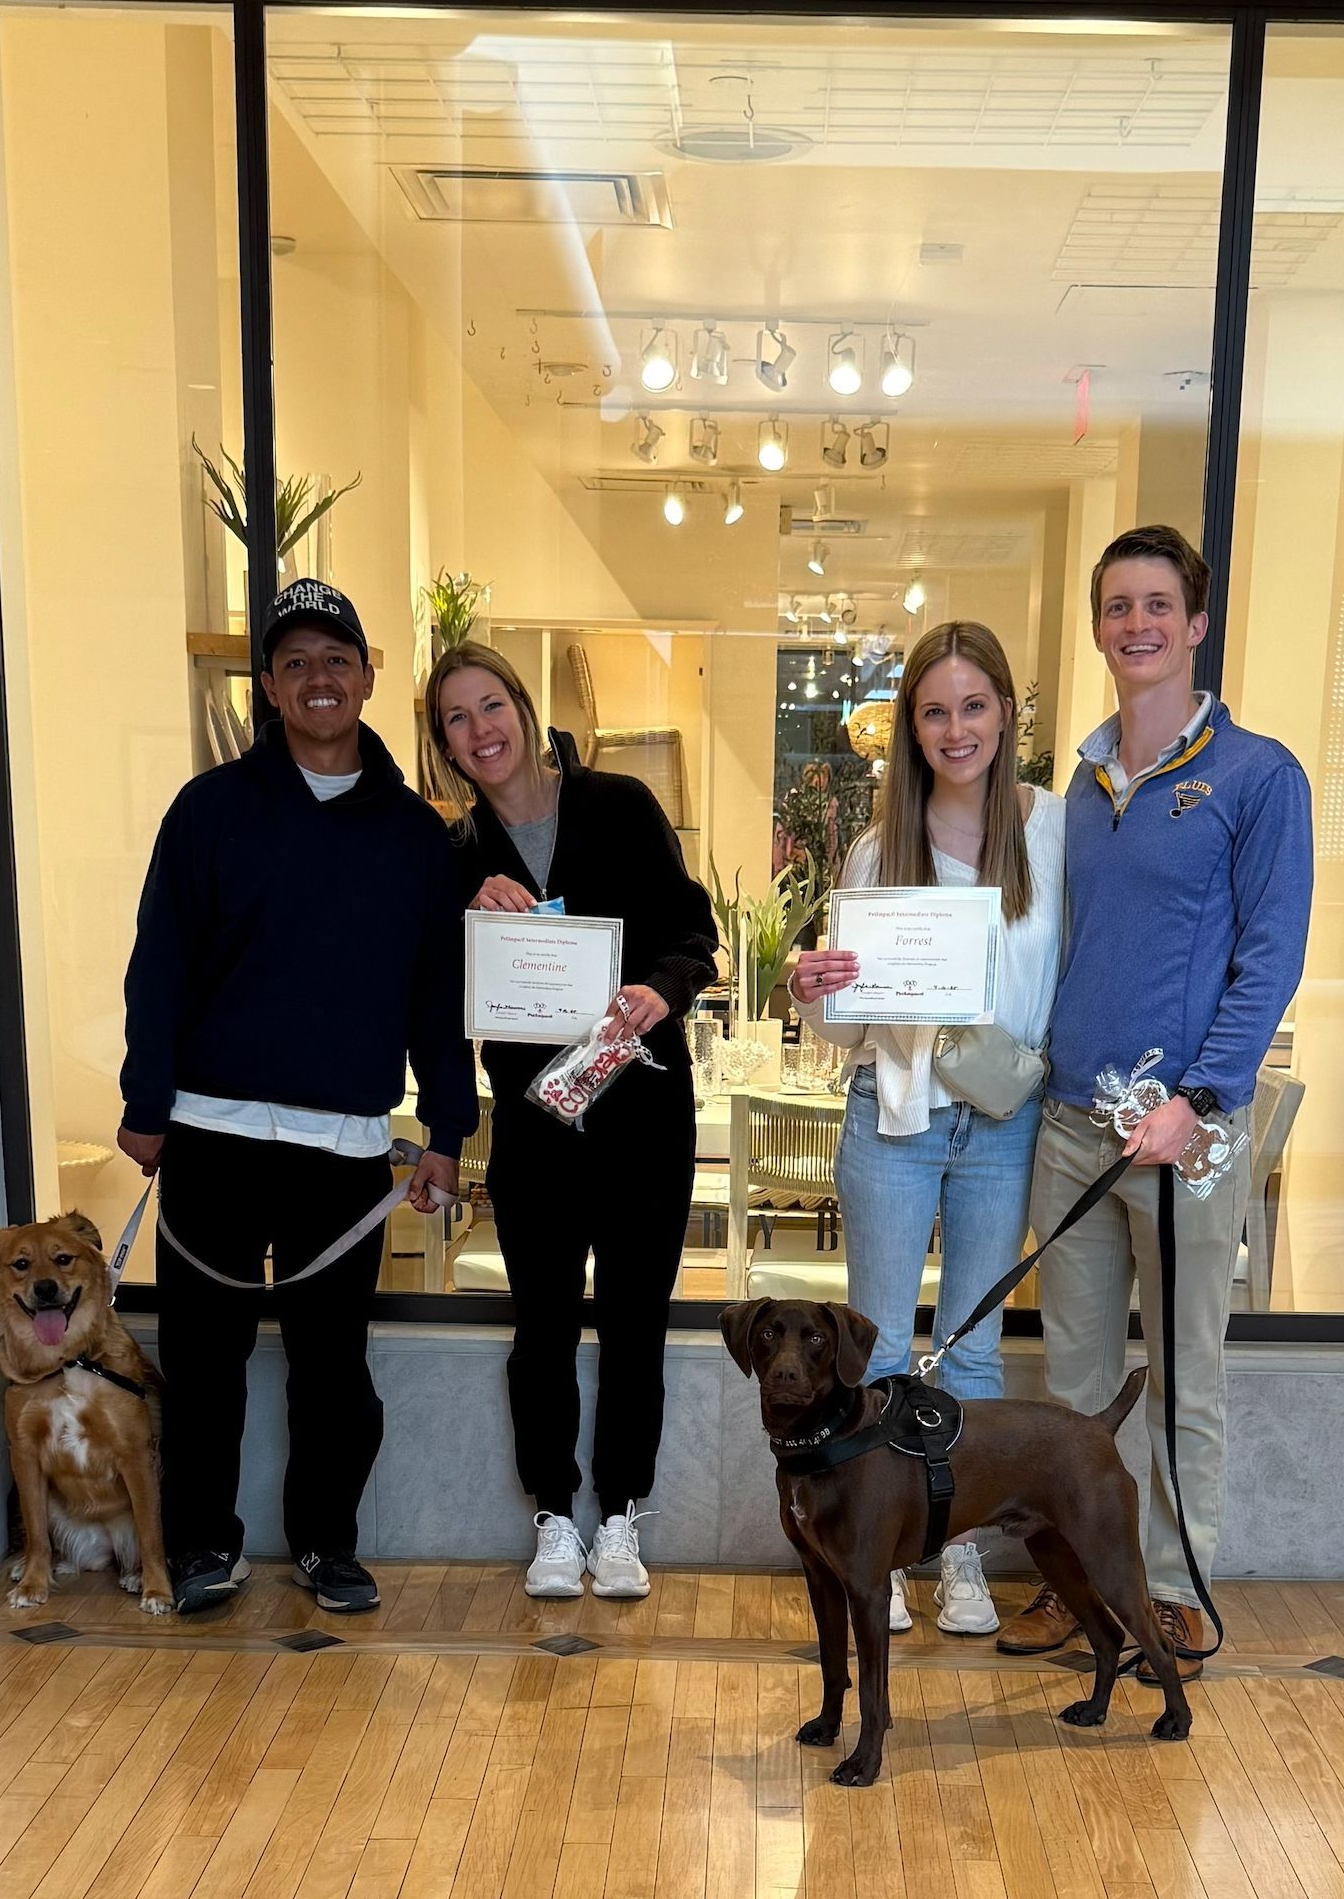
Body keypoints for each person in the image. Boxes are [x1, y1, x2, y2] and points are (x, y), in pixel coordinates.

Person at [117, 579, 477, 1617]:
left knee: (332, 1371)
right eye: (295, 663)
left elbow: (435, 997)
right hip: (210, 1134)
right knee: (205, 1363)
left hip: (345, 1148)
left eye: (337, 659)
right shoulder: (209, 812)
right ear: (270, 688)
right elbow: (161, 970)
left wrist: (446, 1130)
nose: (319, 678)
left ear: (367, 678)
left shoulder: (416, 837)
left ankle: (327, 1543)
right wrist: (147, 1103)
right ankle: (201, 1544)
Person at [994, 525, 1312, 1677]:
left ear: (1195, 622)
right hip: (1074, 1124)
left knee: (1183, 1376)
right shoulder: (1077, 787)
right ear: (1098, 627)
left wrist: (1201, 1096)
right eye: (1116, 606)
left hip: (1183, 1136)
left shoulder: (1256, 775)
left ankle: (1172, 1591)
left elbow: (1269, 955)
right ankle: (1073, 1588)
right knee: (1072, 1391)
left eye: (1155, 604)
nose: (1136, 624)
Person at [423, 642, 718, 1604]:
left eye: (492, 704)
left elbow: (694, 934)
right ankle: (555, 1515)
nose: (482, 729)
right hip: (536, 1134)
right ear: (446, 748)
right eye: (458, 719)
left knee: (635, 1326)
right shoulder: (458, 860)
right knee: (541, 1330)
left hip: (643, 1121)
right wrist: (468, 917)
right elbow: (434, 993)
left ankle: (622, 1515)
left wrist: (658, 991)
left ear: (522, 706)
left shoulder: (620, 806)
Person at [790, 620, 1065, 1638]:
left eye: (974, 705)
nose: (956, 729)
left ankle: (958, 1556)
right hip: (894, 1119)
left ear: (1006, 712)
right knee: (875, 1353)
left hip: (1002, 1122)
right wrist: (811, 988)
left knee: (976, 1357)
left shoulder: (1058, 831)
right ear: (912, 726)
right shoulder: (877, 846)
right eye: (935, 710)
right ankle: (879, 1553)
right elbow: (850, 1021)